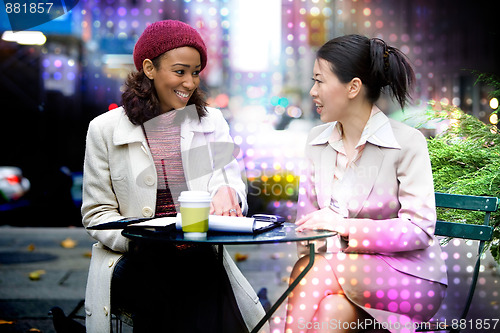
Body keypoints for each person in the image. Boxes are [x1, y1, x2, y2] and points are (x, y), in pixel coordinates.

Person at [81, 20, 267, 333]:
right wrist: (141, 240)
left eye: (195, 72)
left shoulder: (211, 121)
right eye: (180, 71)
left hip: (197, 256)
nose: (191, 82)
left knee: (197, 279)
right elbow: (96, 215)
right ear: (149, 68)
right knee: (179, 286)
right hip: (136, 256)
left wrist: (227, 194)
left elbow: (230, 180)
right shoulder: (104, 129)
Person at [285, 35, 447, 333]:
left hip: (409, 279)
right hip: (338, 276)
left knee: (316, 270)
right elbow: (306, 231)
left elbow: (419, 229)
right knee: (330, 310)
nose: (312, 91)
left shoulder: (407, 143)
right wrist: (319, 240)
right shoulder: (317, 142)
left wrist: (344, 226)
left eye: (320, 81)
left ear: (353, 87)